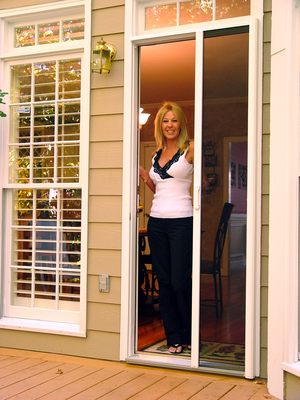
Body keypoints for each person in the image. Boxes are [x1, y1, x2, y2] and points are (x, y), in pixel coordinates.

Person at [139, 101, 194, 354]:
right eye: (165, 120)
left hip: (182, 221)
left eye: (173, 120)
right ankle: (173, 338)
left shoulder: (190, 149)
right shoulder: (155, 154)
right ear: (159, 125)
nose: (169, 125)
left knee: (180, 280)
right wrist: (144, 176)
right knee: (165, 280)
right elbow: (158, 188)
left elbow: (201, 181)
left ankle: (188, 334)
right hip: (157, 222)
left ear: (180, 123)